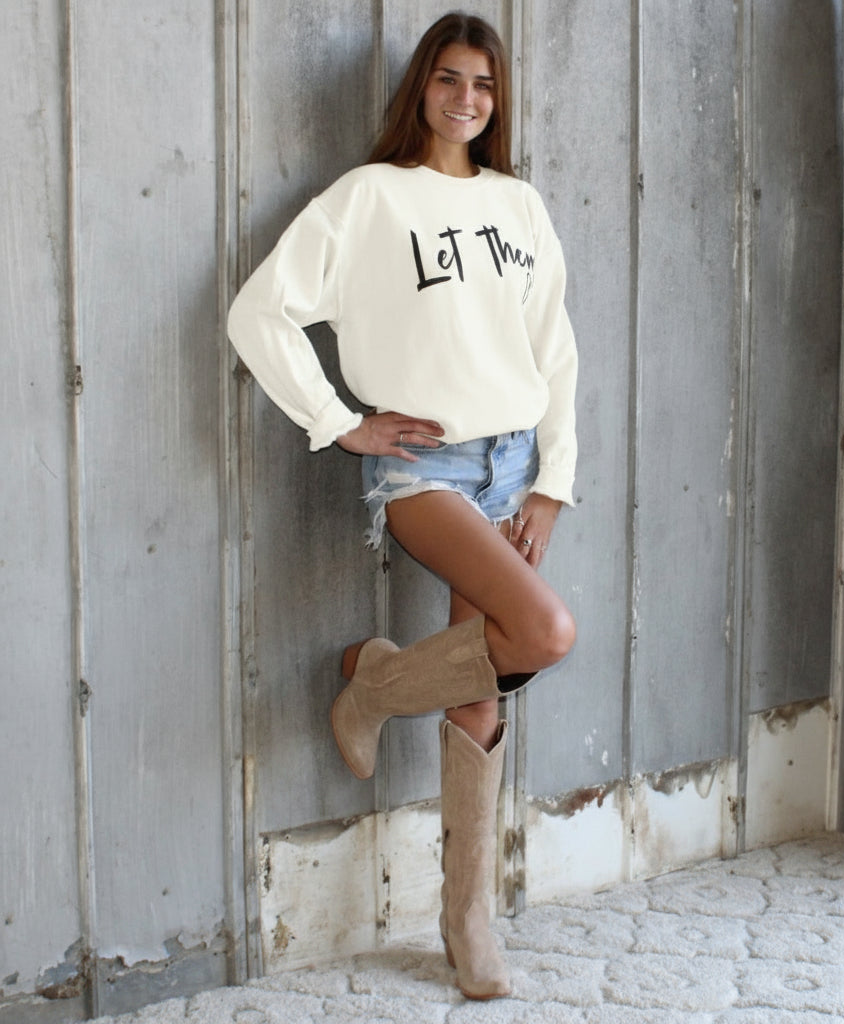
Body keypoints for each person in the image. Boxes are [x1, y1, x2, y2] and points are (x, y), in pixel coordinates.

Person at [227, 11, 578, 1001]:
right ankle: (372, 687)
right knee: (542, 631)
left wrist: (553, 481)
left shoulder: (519, 205)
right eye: (449, 80)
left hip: (514, 461)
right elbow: (258, 310)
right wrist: (340, 423)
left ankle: (467, 921)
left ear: (496, 100)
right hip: (424, 468)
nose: (467, 99)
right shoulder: (369, 198)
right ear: (420, 88)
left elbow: (555, 349)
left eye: (484, 85)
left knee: (483, 677)